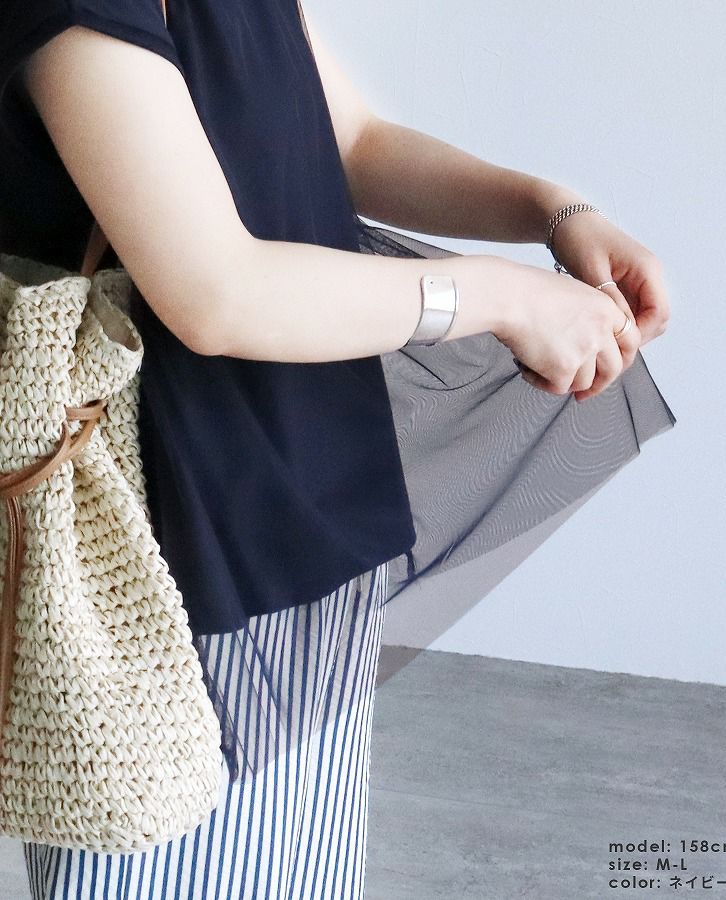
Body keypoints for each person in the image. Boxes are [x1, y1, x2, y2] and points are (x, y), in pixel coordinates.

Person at [0, 0, 674, 897]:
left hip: (308, 493)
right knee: (148, 843)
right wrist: (508, 299)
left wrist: (551, 209)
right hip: (155, 549)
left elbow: (351, 142)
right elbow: (217, 293)